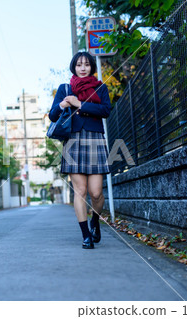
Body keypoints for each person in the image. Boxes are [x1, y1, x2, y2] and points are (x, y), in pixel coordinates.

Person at [48, 52, 112, 249]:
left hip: (94, 139)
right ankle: (86, 236)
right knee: (81, 191)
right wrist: (62, 104)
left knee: (96, 193)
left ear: (91, 66)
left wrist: (80, 104)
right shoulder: (65, 88)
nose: (83, 68)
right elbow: (52, 115)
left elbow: (105, 111)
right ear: (73, 68)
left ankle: (95, 222)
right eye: (79, 65)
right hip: (73, 140)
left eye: (86, 64)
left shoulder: (100, 87)